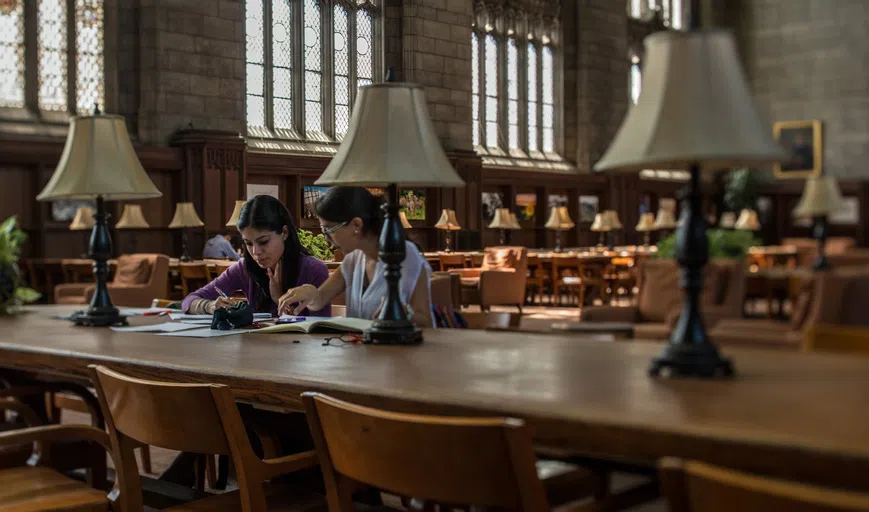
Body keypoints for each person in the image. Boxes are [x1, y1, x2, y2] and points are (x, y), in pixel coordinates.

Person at [279, 187, 433, 327]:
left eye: (328, 230)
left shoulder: (406, 255)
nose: (326, 238)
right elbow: (320, 299)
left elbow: (425, 321)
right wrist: (310, 293)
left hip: (401, 354)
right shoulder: (354, 258)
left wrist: (404, 314)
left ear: (356, 225)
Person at [182, 195, 331, 316]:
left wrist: (279, 299)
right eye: (248, 243)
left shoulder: (314, 269)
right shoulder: (244, 268)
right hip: (253, 350)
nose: (255, 252)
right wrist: (209, 305)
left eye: (263, 242)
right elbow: (189, 301)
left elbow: (321, 332)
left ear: (284, 233)